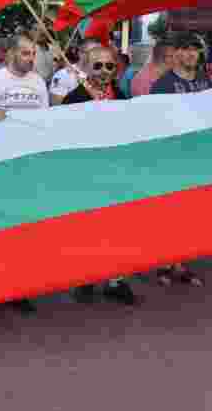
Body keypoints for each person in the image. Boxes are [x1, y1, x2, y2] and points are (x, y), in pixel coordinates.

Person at [61, 47, 139, 305]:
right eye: (98, 66)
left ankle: (116, 281)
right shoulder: (74, 99)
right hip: (85, 173)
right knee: (87, 228)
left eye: (109, 66)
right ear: (85, 68)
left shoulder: (122, 96)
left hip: (117, 171)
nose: (104, 71)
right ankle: (85, 280)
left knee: (120, 228)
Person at [149, 32, 210, 287]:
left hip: (198, 157)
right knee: (169, 214)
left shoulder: (206, 83)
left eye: (195, 49)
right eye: (185, 49)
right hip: (171, 158)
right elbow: (152, 122)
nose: (190, 54)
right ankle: (164, 263)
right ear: (176, 54)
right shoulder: (162, 85)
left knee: (191, 215)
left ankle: (181, 263)